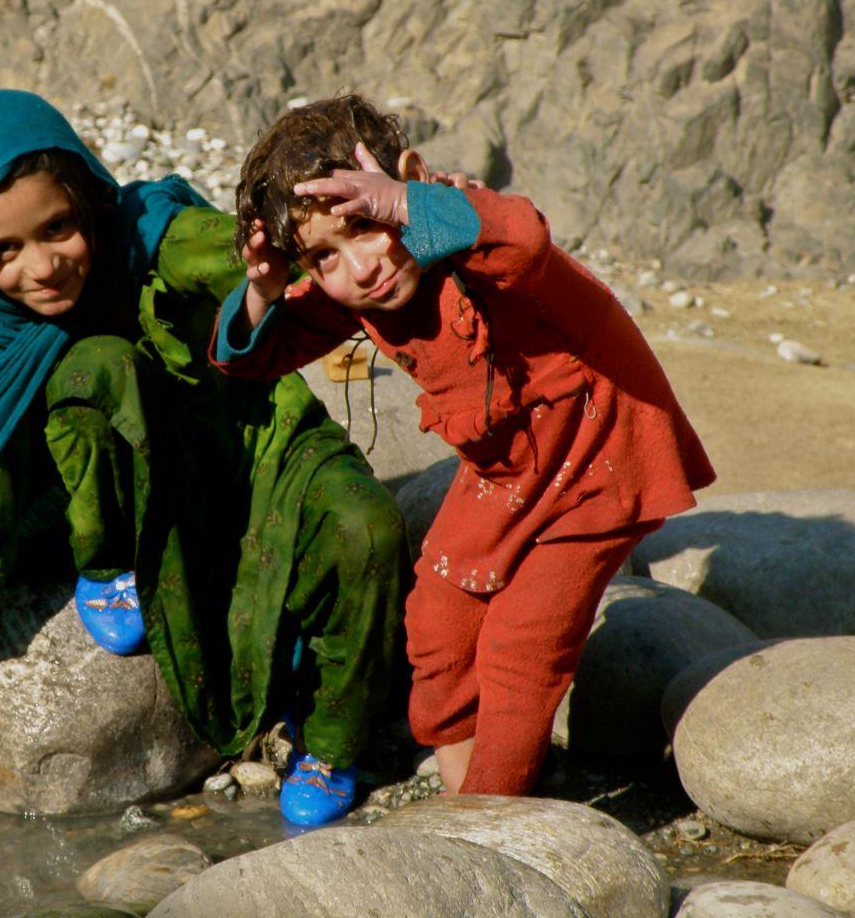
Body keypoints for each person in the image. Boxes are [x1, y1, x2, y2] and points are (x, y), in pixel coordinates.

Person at [0, 89, 409, 828]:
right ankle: (108, 564)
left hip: (249, 446)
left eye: (59, 228)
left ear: (88, 202)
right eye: (4, 252)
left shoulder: (144, 235)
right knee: (97, 364)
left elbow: (233, 251)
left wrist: (311, 250)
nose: (42, 267)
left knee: (370, 526)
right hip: (138, 491)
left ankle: (330, 743)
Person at [213, 94, 716, 797]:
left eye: (365, 224)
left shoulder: (472, 239)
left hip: (600, 451)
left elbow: (526, 239)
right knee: (437, 619)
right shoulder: (360, 290)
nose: (359, 267)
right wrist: (264, 293)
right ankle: (463, 802)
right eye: (324, 256)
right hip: (507, 468)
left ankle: (488, 816)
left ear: (410, 181)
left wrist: (405, 207)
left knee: (522, 646)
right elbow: (250, 360)